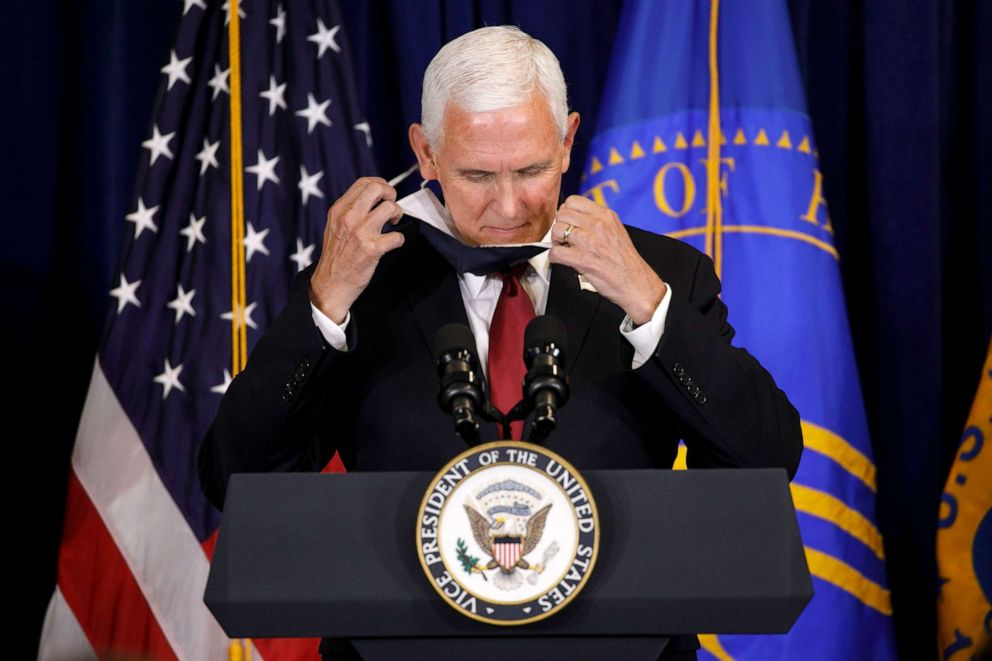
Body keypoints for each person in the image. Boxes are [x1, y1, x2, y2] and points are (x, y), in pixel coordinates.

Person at [198, 25, 803, 660]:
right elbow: (235, 477)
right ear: (427, 155)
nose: (509, 205)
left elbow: (764, 461)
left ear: (568, 142)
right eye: (478, 175)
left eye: (533, 169)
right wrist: (323, 306)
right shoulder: (361, 283)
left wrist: (648, 306)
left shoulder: (659, 276)